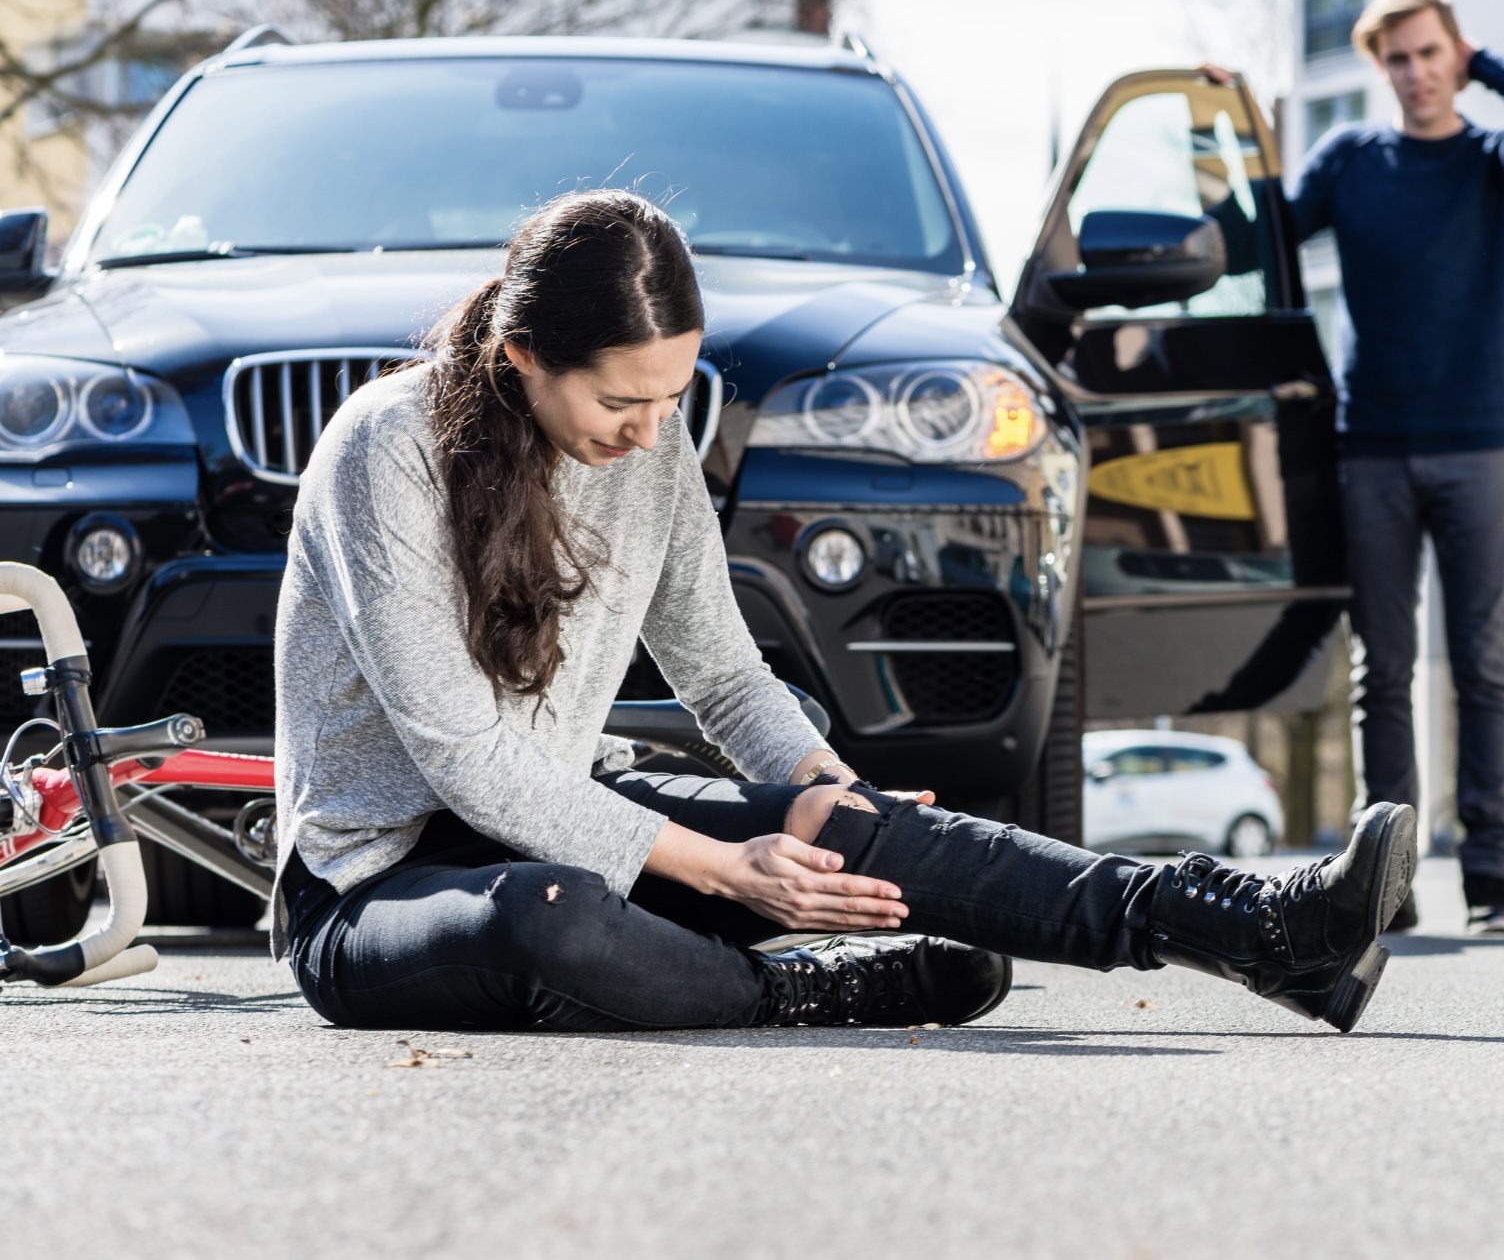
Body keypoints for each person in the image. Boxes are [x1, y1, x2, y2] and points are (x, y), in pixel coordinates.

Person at [271, 189, 1419, 1034]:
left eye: (674, 395)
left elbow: (723, 677)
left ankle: (1255, 929)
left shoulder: (652, 442)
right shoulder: (389, 449)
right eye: (623, 398)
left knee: (835, 822)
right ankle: (797, 989)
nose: (649, 428)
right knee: (549, 913)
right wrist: (728, 872)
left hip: (563, 808)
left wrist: (834, 793)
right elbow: (465, 759)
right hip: (376, 889)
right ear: (522, 353)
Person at [1290, 0, 1504, 935]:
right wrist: (1227, 119)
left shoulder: (1495, 162)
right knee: (1383, 672)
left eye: (1429, 53)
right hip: (1370, 447)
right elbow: (1268, 226)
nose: (1415, 74)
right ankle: (1389, 879)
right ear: (1381, 72)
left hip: (1477, 447)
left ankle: (1492, 881)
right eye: (1398, 60)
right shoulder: (1351, 162)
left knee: (1485, 666)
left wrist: (1484, 58)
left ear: (1453, 54)